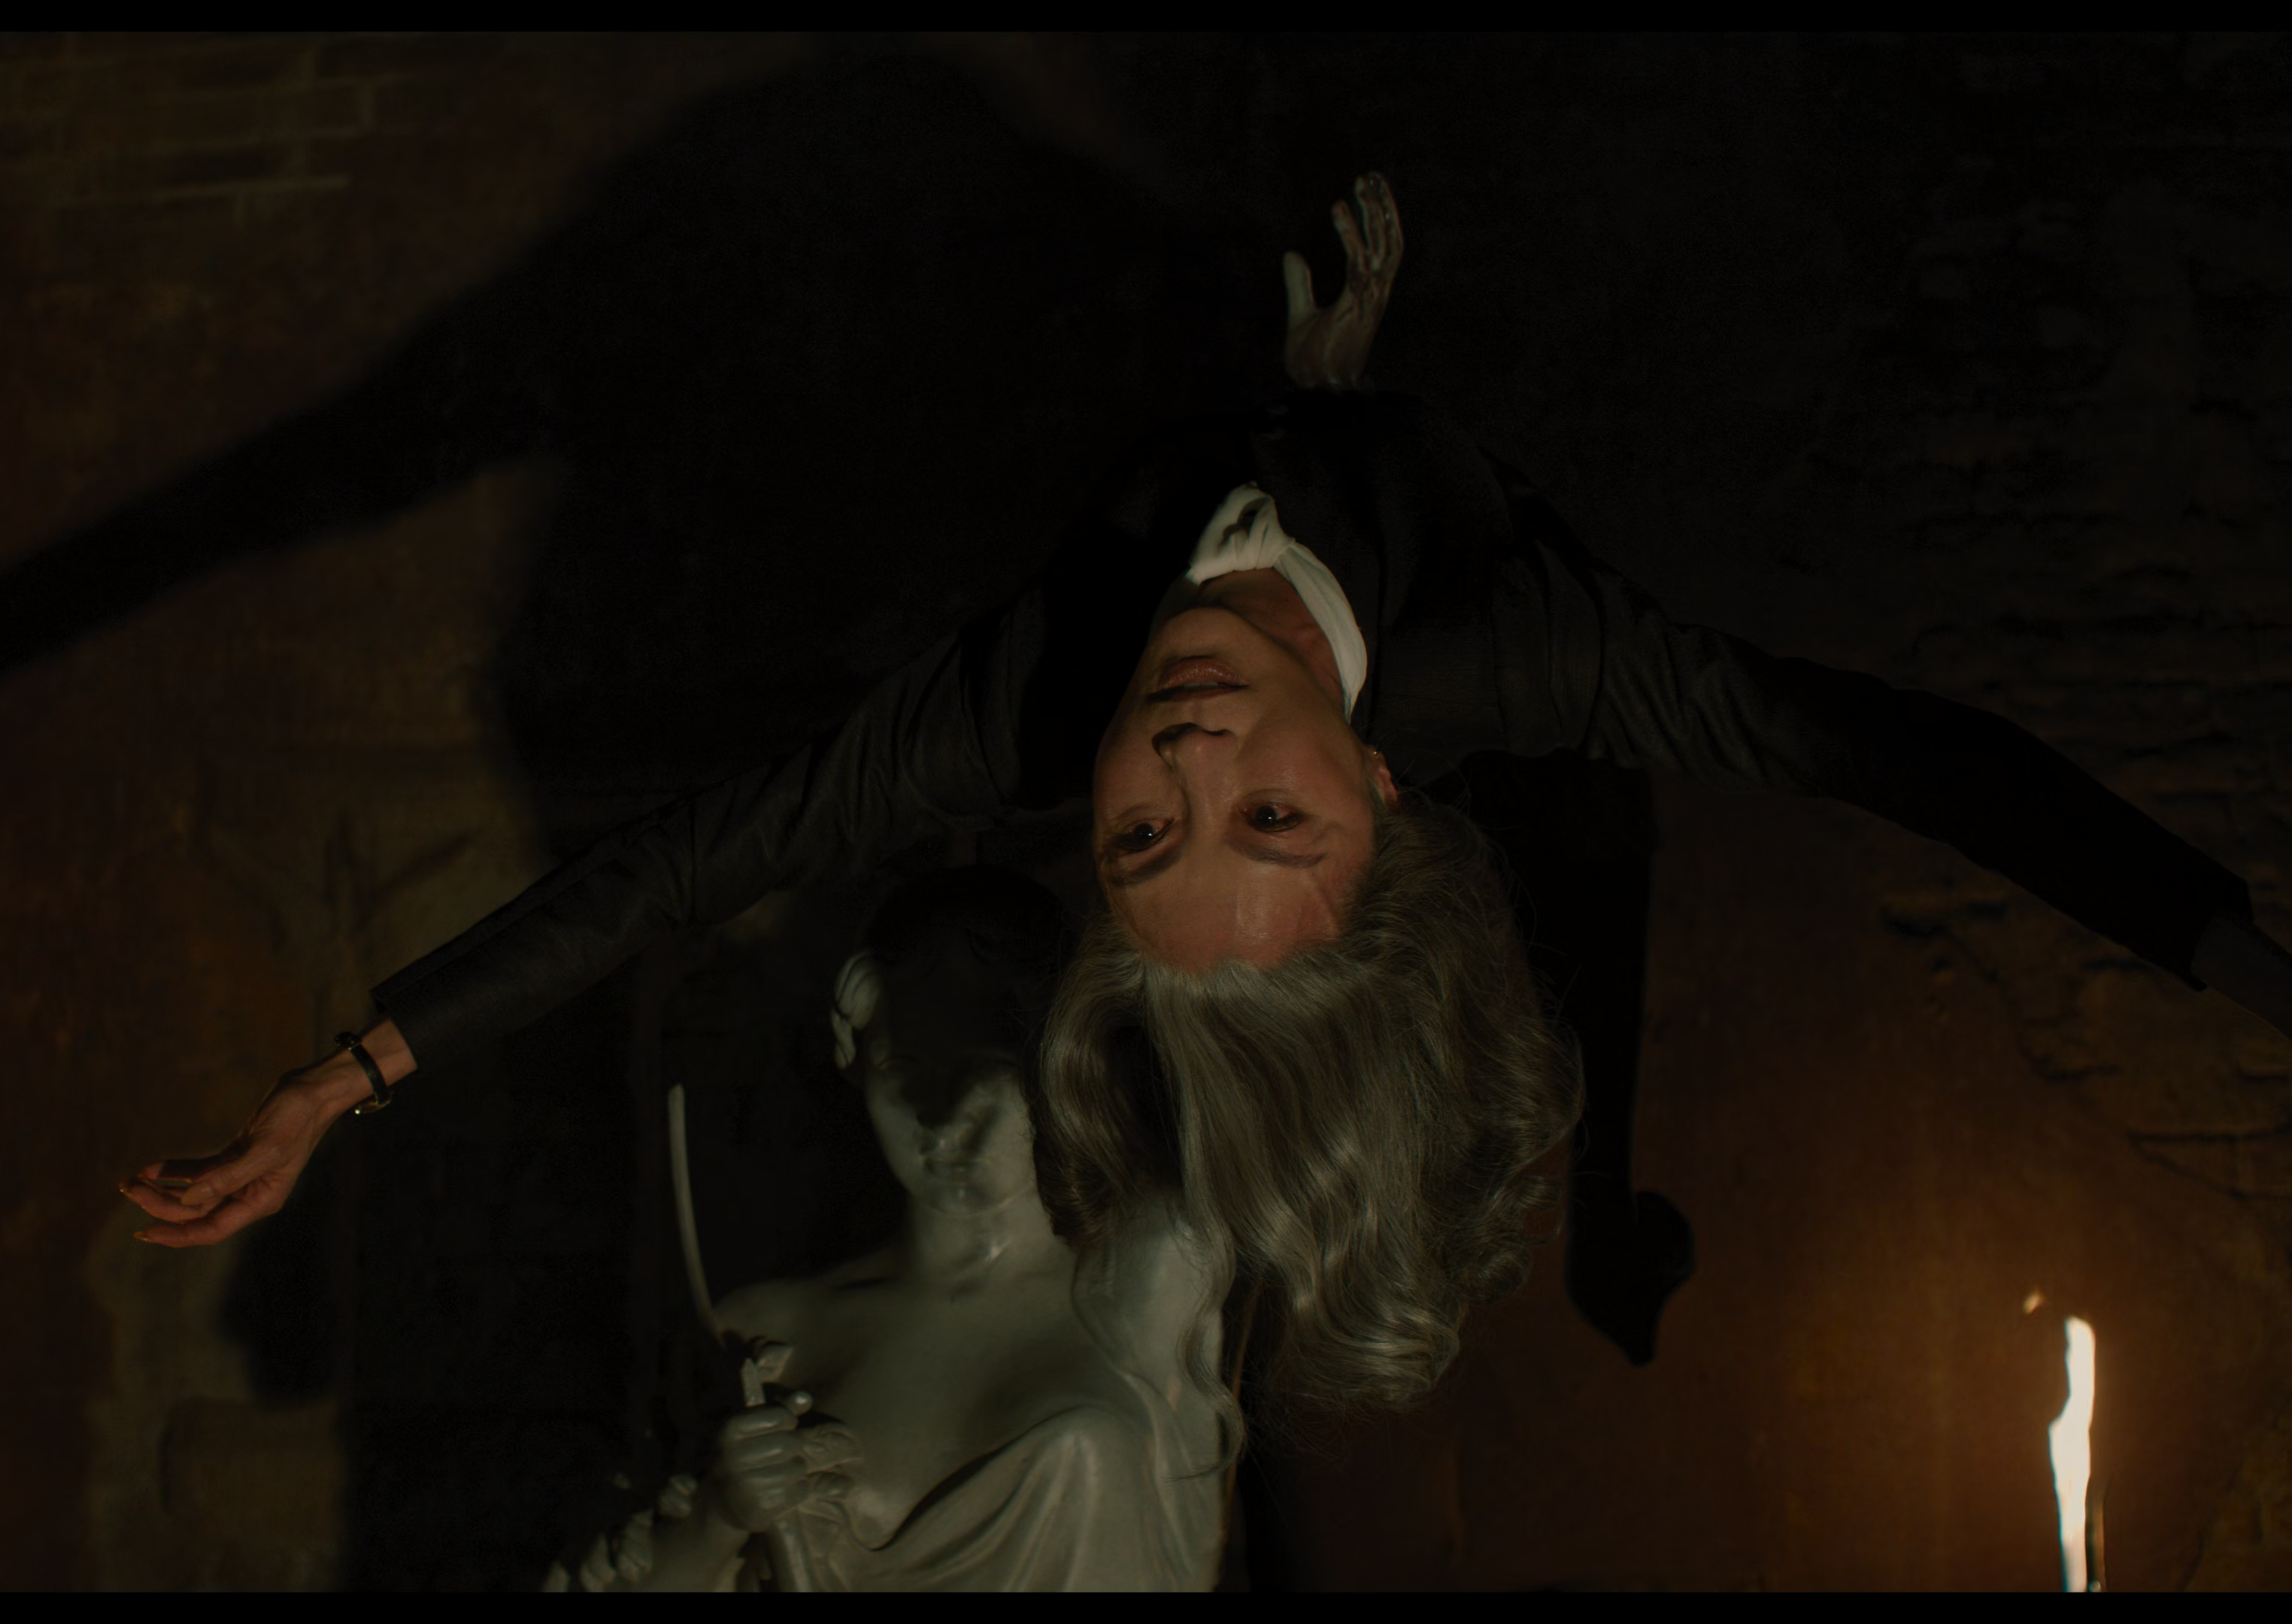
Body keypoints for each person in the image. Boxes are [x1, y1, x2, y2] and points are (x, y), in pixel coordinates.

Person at [120, 173, 2292, 1418]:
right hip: (1429, 521)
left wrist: (344, 1077)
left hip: (1251, 481)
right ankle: (1340, 398)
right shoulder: (1518, 650)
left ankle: (1312, 386)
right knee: (1606, 817)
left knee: (1285, 449)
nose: (1181, 761)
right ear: (1382, 791)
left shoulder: (1030, 700)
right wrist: (2237, 955)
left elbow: (691, 857)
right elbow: (1900, 755)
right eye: (1270, 816)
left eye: (1142, 836)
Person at [556, 867, 1230, 1592]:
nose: (941, 1116)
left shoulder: (1151, 1274)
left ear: (1058, 1069)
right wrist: (720, 1515)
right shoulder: (765, 1335)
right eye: (903, 1064)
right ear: (854, 1058)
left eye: (983, 1067)